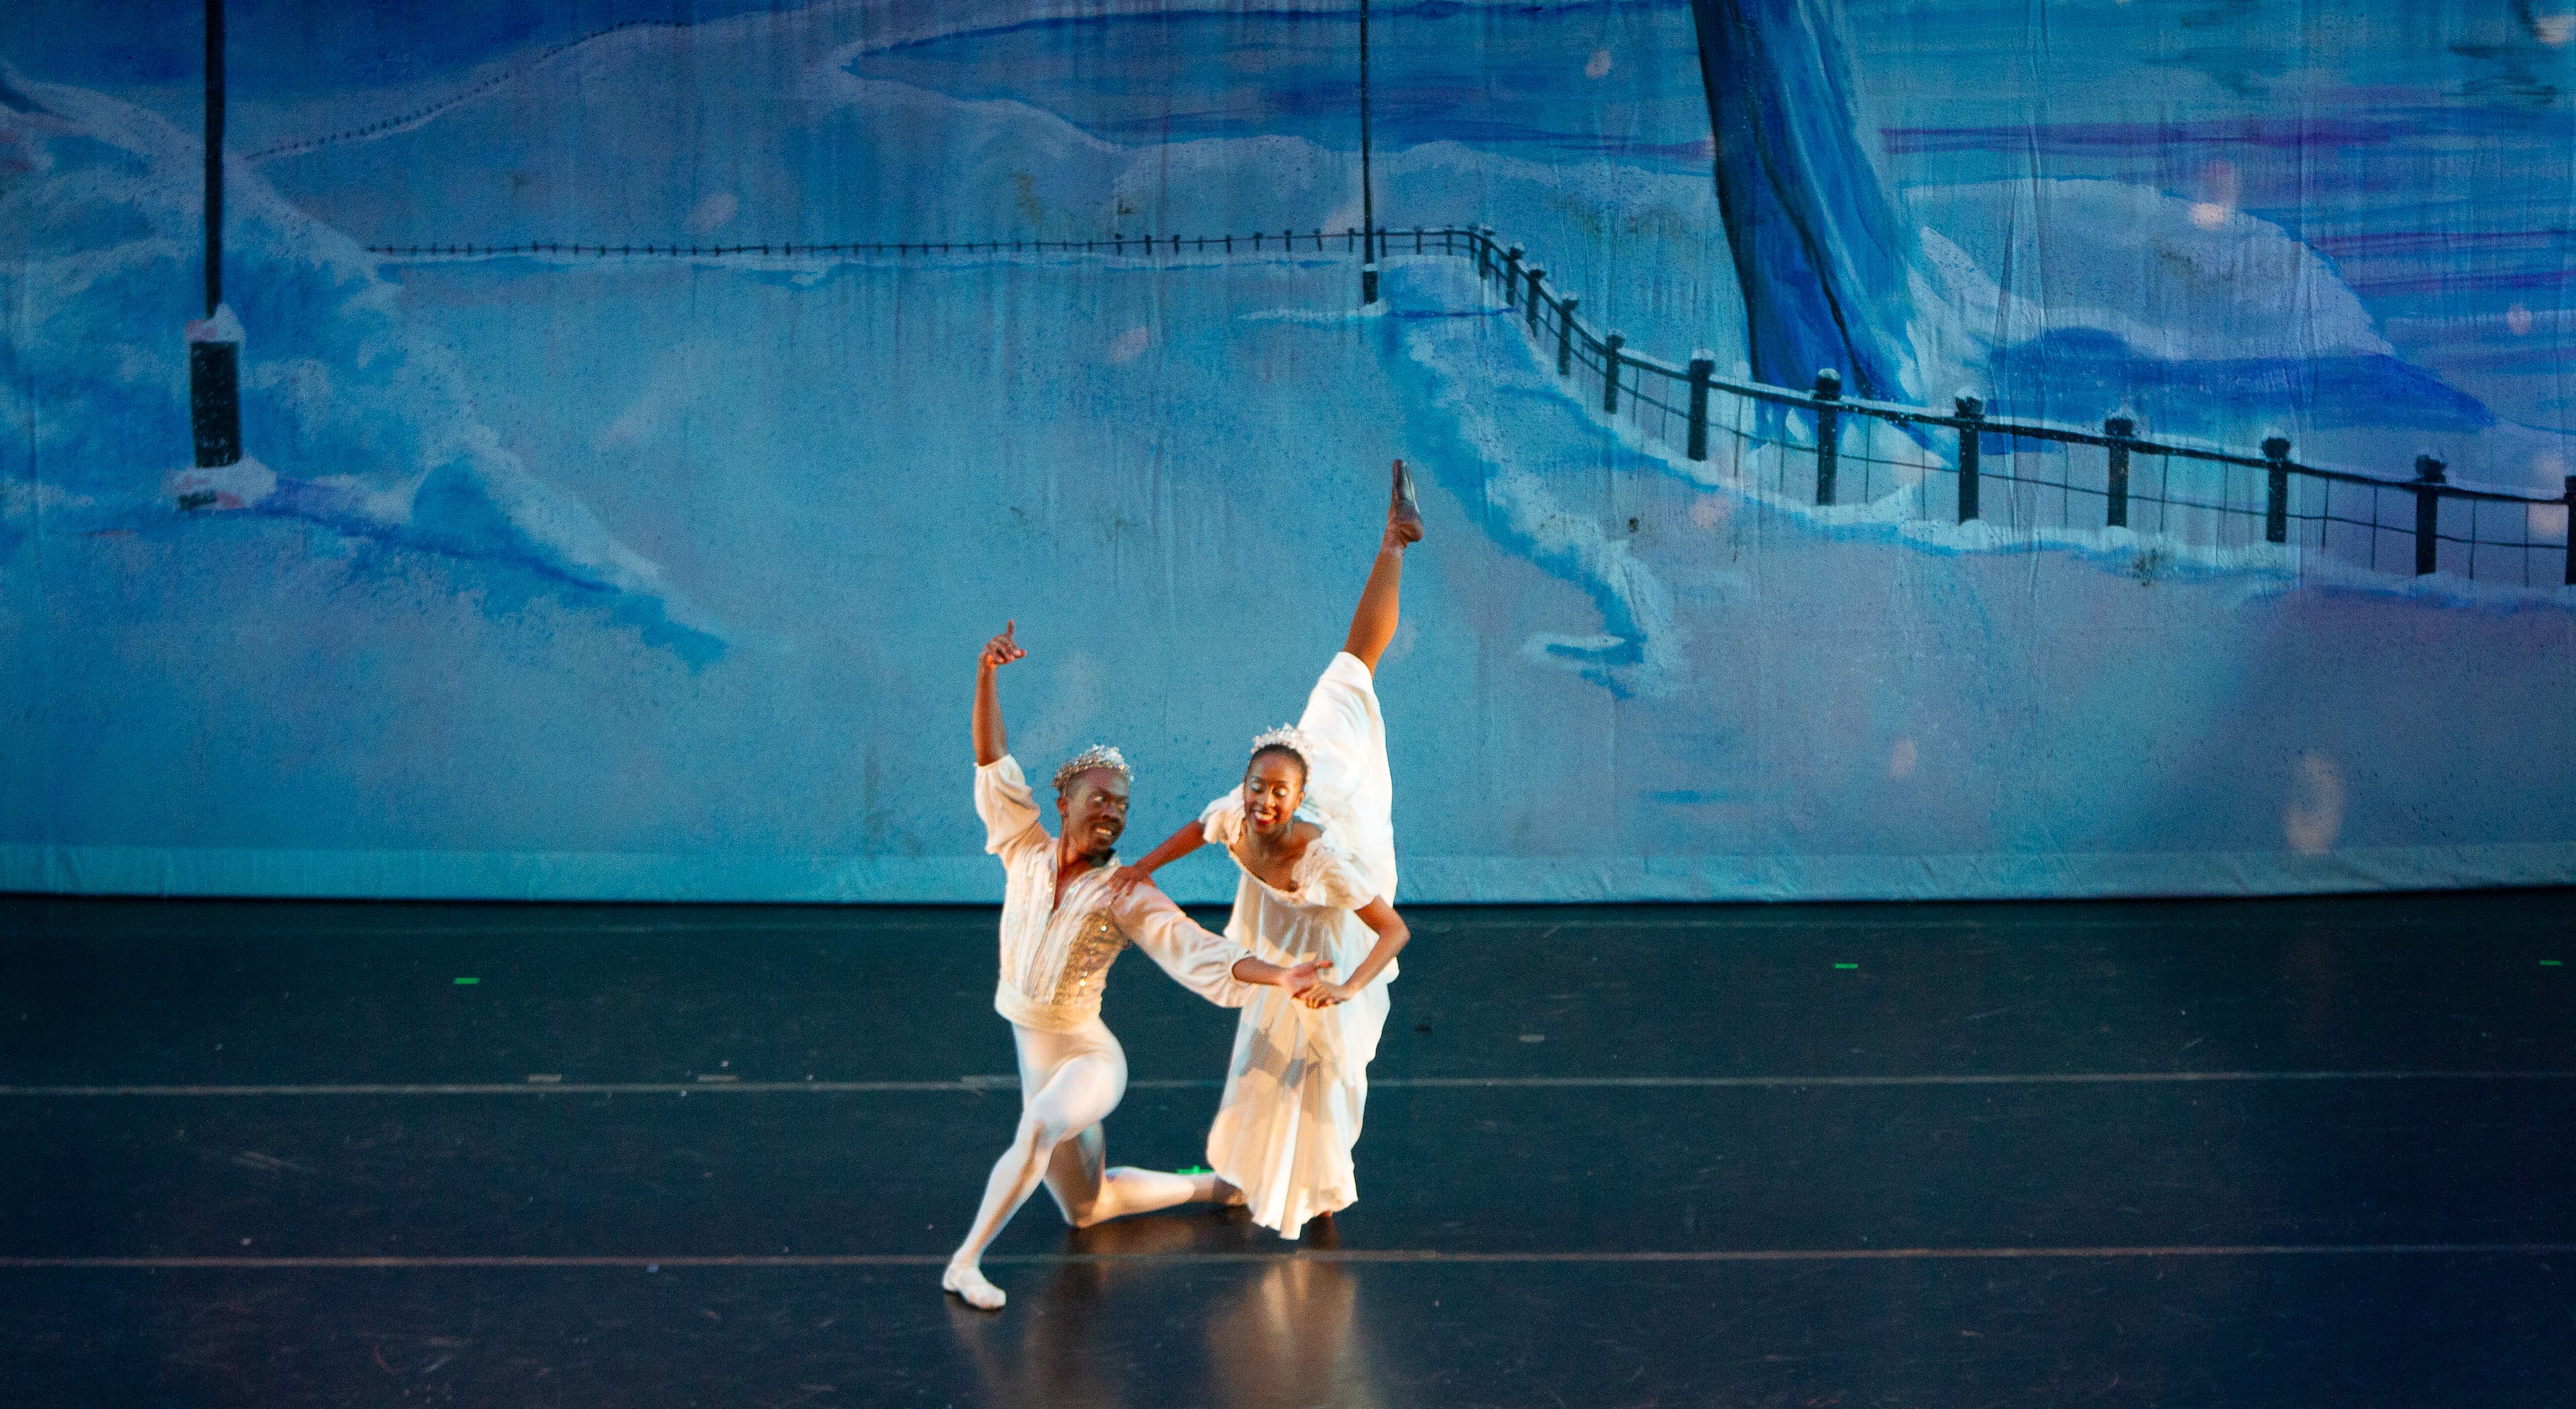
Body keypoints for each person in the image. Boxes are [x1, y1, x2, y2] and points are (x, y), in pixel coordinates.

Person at [944, 621, 1324, 1312]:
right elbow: (991, 761)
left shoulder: (1124, 892)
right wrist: (986, 674)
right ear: (1063, 804)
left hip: (1091, 1060)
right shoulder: (1022, 848)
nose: (1114, 814)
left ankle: (965, 1262)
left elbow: (1195, 945)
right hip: (1035, 1054)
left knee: (1037, 1125)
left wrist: (1280, 974)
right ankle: (1220, 1185)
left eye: (1123, 806)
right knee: (1088, 1208)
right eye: (1101, 799)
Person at [1115, 459, 1423, 1237]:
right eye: (1256, 789)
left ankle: (1319, 1191)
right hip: (1286, 883)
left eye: (1274, 795)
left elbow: (1394, 930)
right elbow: (1199, 825)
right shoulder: (1237, 811)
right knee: (1344, 671)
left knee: (1326, 1064)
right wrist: (1142, 869)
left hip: (1326, 926)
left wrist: (1349, 986)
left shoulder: (1324, 854)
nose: (1260, 802)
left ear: (1295, 799)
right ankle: (1392, 540)